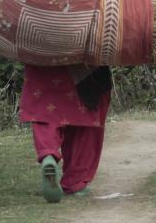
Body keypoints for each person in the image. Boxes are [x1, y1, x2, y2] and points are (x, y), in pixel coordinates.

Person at [19, 64, 112, 203]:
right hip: (84, 68)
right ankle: (75, 182)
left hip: (41, 60)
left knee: (45, 116)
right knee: (85, 123)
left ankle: (48, 154)